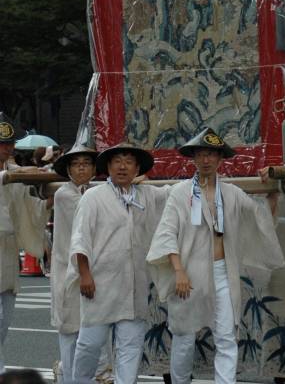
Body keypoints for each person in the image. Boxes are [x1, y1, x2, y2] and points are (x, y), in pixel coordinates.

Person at [146, 128, 285, 384]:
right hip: (189, 272)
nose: (206, 160)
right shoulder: (180, 192)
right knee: (185, 335)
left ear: (221, 159)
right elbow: (167, 234)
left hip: (223, 272)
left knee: (226, 336)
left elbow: (259, 216)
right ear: (194, 158)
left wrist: (272, 192)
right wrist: (178, 270)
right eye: (201, 154)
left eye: (211, 154)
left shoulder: (232, 193)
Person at [69, 142, 169, 384]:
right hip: (100, 283)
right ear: (108, 166)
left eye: (128, 162)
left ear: (137, 168)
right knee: (90, 344)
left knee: (130, 347)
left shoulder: (146, 195)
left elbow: (174, 194)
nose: (122, 166)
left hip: (134, 285)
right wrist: (84, 274)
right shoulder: (93, 196)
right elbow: (80, 237)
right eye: (117, 161)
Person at [50, 144, 110, 384]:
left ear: (95, 168)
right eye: (76, 164)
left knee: (95, 331)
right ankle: (67, 375)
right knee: (70, 331)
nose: (82, 167)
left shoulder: (99, 191)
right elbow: (87, 213)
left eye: (86, 163)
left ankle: (93, 375)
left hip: (95, 269)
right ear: (68, 170)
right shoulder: (65, 194)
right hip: (68, 270)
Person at [0, 113, 50, 375]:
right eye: (1, 144)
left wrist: (46, 204)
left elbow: (30, 208)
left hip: (7, 253)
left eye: (8, 144)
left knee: (5, 322)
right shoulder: (11, 174)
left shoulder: (14, 174)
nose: (6, 149)